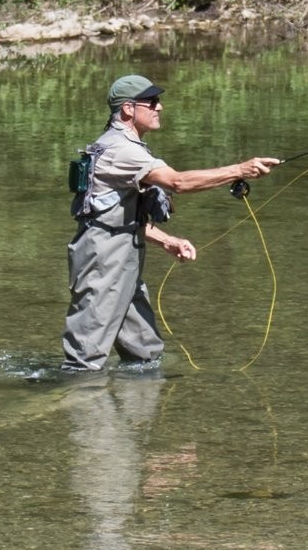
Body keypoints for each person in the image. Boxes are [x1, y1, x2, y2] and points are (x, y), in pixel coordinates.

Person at [62, 73, 279, 372]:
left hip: (123, 256)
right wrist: (239, 169)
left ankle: (138, 416)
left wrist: (167, 240)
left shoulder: (129, 146)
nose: (159, 107)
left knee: (145, 355)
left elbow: (114, 216)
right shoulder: (120, 149)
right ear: (128, 109)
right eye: (151, 101)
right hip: (102, 262)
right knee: (85, 360)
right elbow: (177, 182)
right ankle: (70, 405)